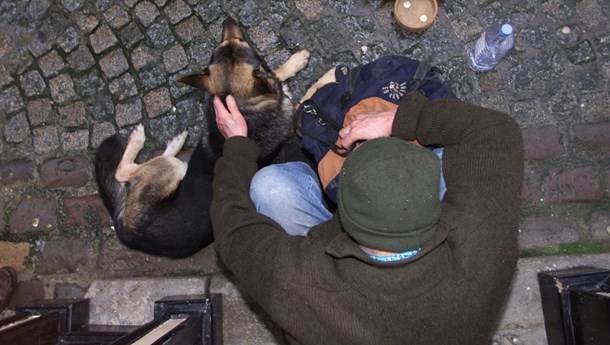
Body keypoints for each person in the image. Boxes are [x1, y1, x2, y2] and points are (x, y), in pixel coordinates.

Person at [210, 91, 524, 345]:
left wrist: (237, 144)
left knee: (269, 188)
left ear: (343, 214)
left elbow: (233, 228)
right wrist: (401, 121)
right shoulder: (484, 244)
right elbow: (497, 131)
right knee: (448, 159)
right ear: (435, 206)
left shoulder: (299, 282)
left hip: (324, 274)